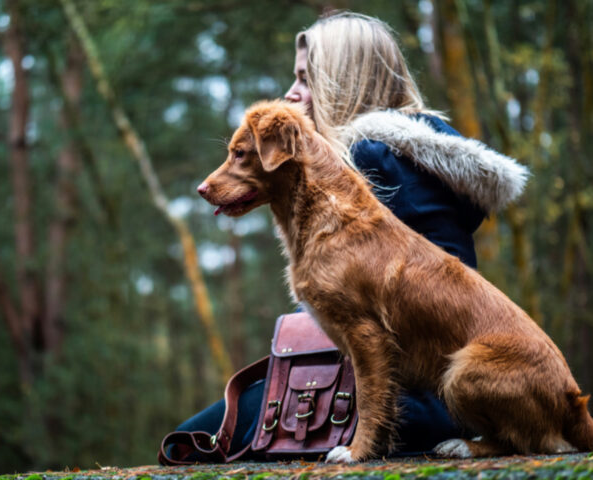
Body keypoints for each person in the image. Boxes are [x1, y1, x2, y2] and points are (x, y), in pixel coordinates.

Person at [169, 11, 528, 460]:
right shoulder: (411, 154)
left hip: (405, 398)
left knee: (191, 443)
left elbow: (372, 325)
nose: (291, 93)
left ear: (344, 81)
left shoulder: (368, 161)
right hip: (432, 393)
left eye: (304, 77)